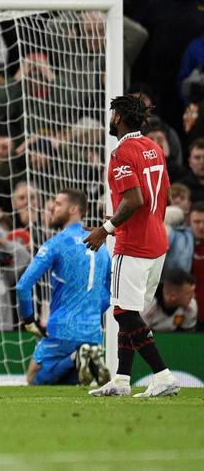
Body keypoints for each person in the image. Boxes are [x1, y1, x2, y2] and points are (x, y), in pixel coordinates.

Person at [84, 95, 178, 397]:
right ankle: (122, 380)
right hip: (157, 241)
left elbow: (135, 199)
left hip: (134, 245)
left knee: (123, 312)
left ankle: (163, 375)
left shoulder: (122, 152)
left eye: (113, 114)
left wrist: (106, 228)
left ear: (118, 118)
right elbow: (164, 197)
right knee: (130, 309)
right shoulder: (154, 147)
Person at [15, 189, 111, 386]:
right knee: (69, 383)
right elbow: (109, 293)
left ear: (74, 209)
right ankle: (83, 357)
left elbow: (23, 286)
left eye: (58, 204)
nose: (52, 207)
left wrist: (27, 319)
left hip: (62, 328)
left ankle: (76, 357)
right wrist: (91, 312)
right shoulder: (102, 248)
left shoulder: (57, 243)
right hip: (93, 331)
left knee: (33, 378)